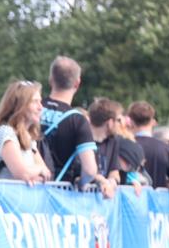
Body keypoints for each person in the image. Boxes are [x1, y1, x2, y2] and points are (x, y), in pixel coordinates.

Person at [40, 56, 115, 198]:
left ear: (51, 79)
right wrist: (82, 183)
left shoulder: (32, 109)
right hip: (59, 195)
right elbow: (90, 169)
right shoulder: (77, 120)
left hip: (25, 192)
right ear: (77, 83)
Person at [0, 80, 52, 184]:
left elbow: (47, 174)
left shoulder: (28, 137)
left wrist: (35, 174)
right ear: (20, 106)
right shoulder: (5, 132)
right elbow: (23, 174)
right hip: (2, 198)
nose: (41, 107)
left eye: (40, 101)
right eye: (35, 101)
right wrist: (38, 170)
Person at [88, 98, 149, 195]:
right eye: (119, 120)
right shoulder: (84, 139)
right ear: (110, 123)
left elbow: (114, 171)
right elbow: (83, 171)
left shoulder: (113, 141)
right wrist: (102, 181)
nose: (122, 124)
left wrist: (112, 181)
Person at [127, 101, 169, 189]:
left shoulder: (125, 146)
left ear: (131, 122)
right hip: (158, 201)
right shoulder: (166, 149)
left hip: (131, 200)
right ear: (152, 122)